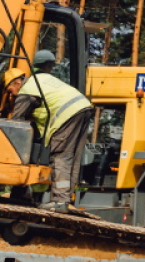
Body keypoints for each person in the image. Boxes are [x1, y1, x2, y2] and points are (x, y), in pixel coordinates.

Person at [6, 50, 94, 212]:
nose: (11, 95)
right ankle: (66, 198)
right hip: (83, 107)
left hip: (67, 114)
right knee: (72, 157)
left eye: (10, 91)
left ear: (17, 82)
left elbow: (15, 124)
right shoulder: (43, 80)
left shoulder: (27, 90)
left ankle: (60, 201)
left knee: (61, 155)